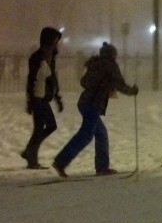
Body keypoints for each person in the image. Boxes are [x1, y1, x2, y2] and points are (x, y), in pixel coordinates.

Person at [53, 42, 138, 177]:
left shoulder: (95, 64)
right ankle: (61, 161)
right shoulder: (110, 65)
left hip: (84, 102)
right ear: (112, 55)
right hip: (93, 104)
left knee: (101, 134)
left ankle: (102, 167)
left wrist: (101, 84)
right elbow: (120, 83)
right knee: (86, 135)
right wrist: (132, 91)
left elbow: (84, 82)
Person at [21, 27, 63, 169]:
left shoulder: (51, 57)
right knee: (40, 128)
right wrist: (30, 101)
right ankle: (31, 157)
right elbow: (31, 79)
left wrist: (57, 98)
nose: (57, 43)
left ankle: (29, 152)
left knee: (48, 126)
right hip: (38, 98)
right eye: (55, 40)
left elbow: (52, 79)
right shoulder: (37, 57)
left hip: (45, 98)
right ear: (48, 41)